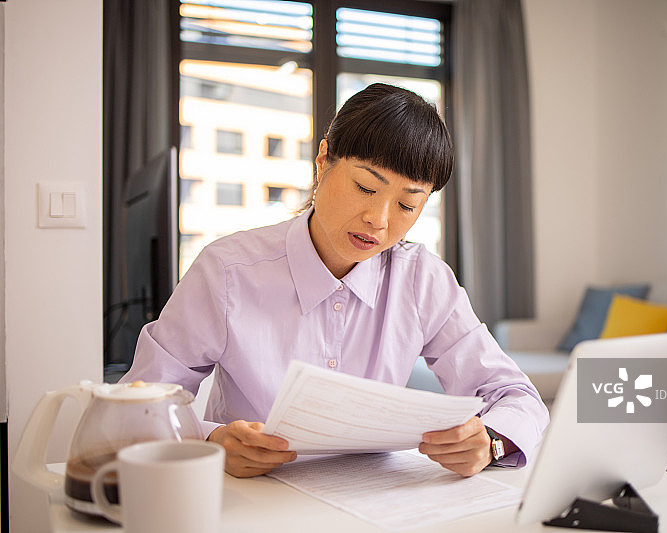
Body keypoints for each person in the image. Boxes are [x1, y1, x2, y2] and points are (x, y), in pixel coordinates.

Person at [121, 83, 549, 478]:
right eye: (365, 187)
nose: (378, 220)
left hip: (375, 503)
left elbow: (517, 396)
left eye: (406, 204)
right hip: (255, 498)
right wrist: (211, 441)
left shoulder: (422, 280)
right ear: (323, 160)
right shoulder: (228, 272)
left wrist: (490, 442)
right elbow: (138, 403)